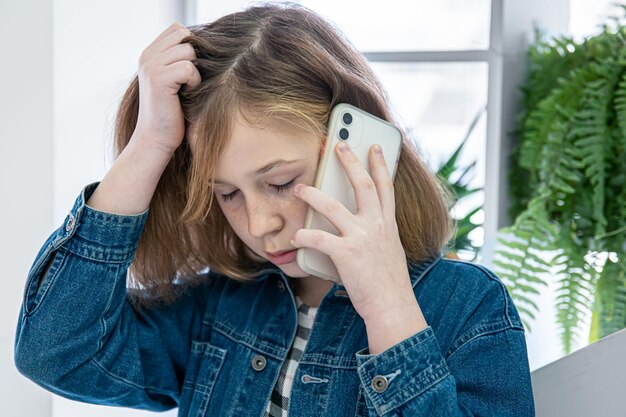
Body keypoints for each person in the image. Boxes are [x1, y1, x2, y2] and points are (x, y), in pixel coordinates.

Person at [14, 2, 535, 416]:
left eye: (282, 182)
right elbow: (57, 353)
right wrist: (148, 146)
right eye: (228, 194)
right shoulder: (220, 307)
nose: (260, 225)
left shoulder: (468, 309)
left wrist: (387, 308)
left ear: (358, 150)